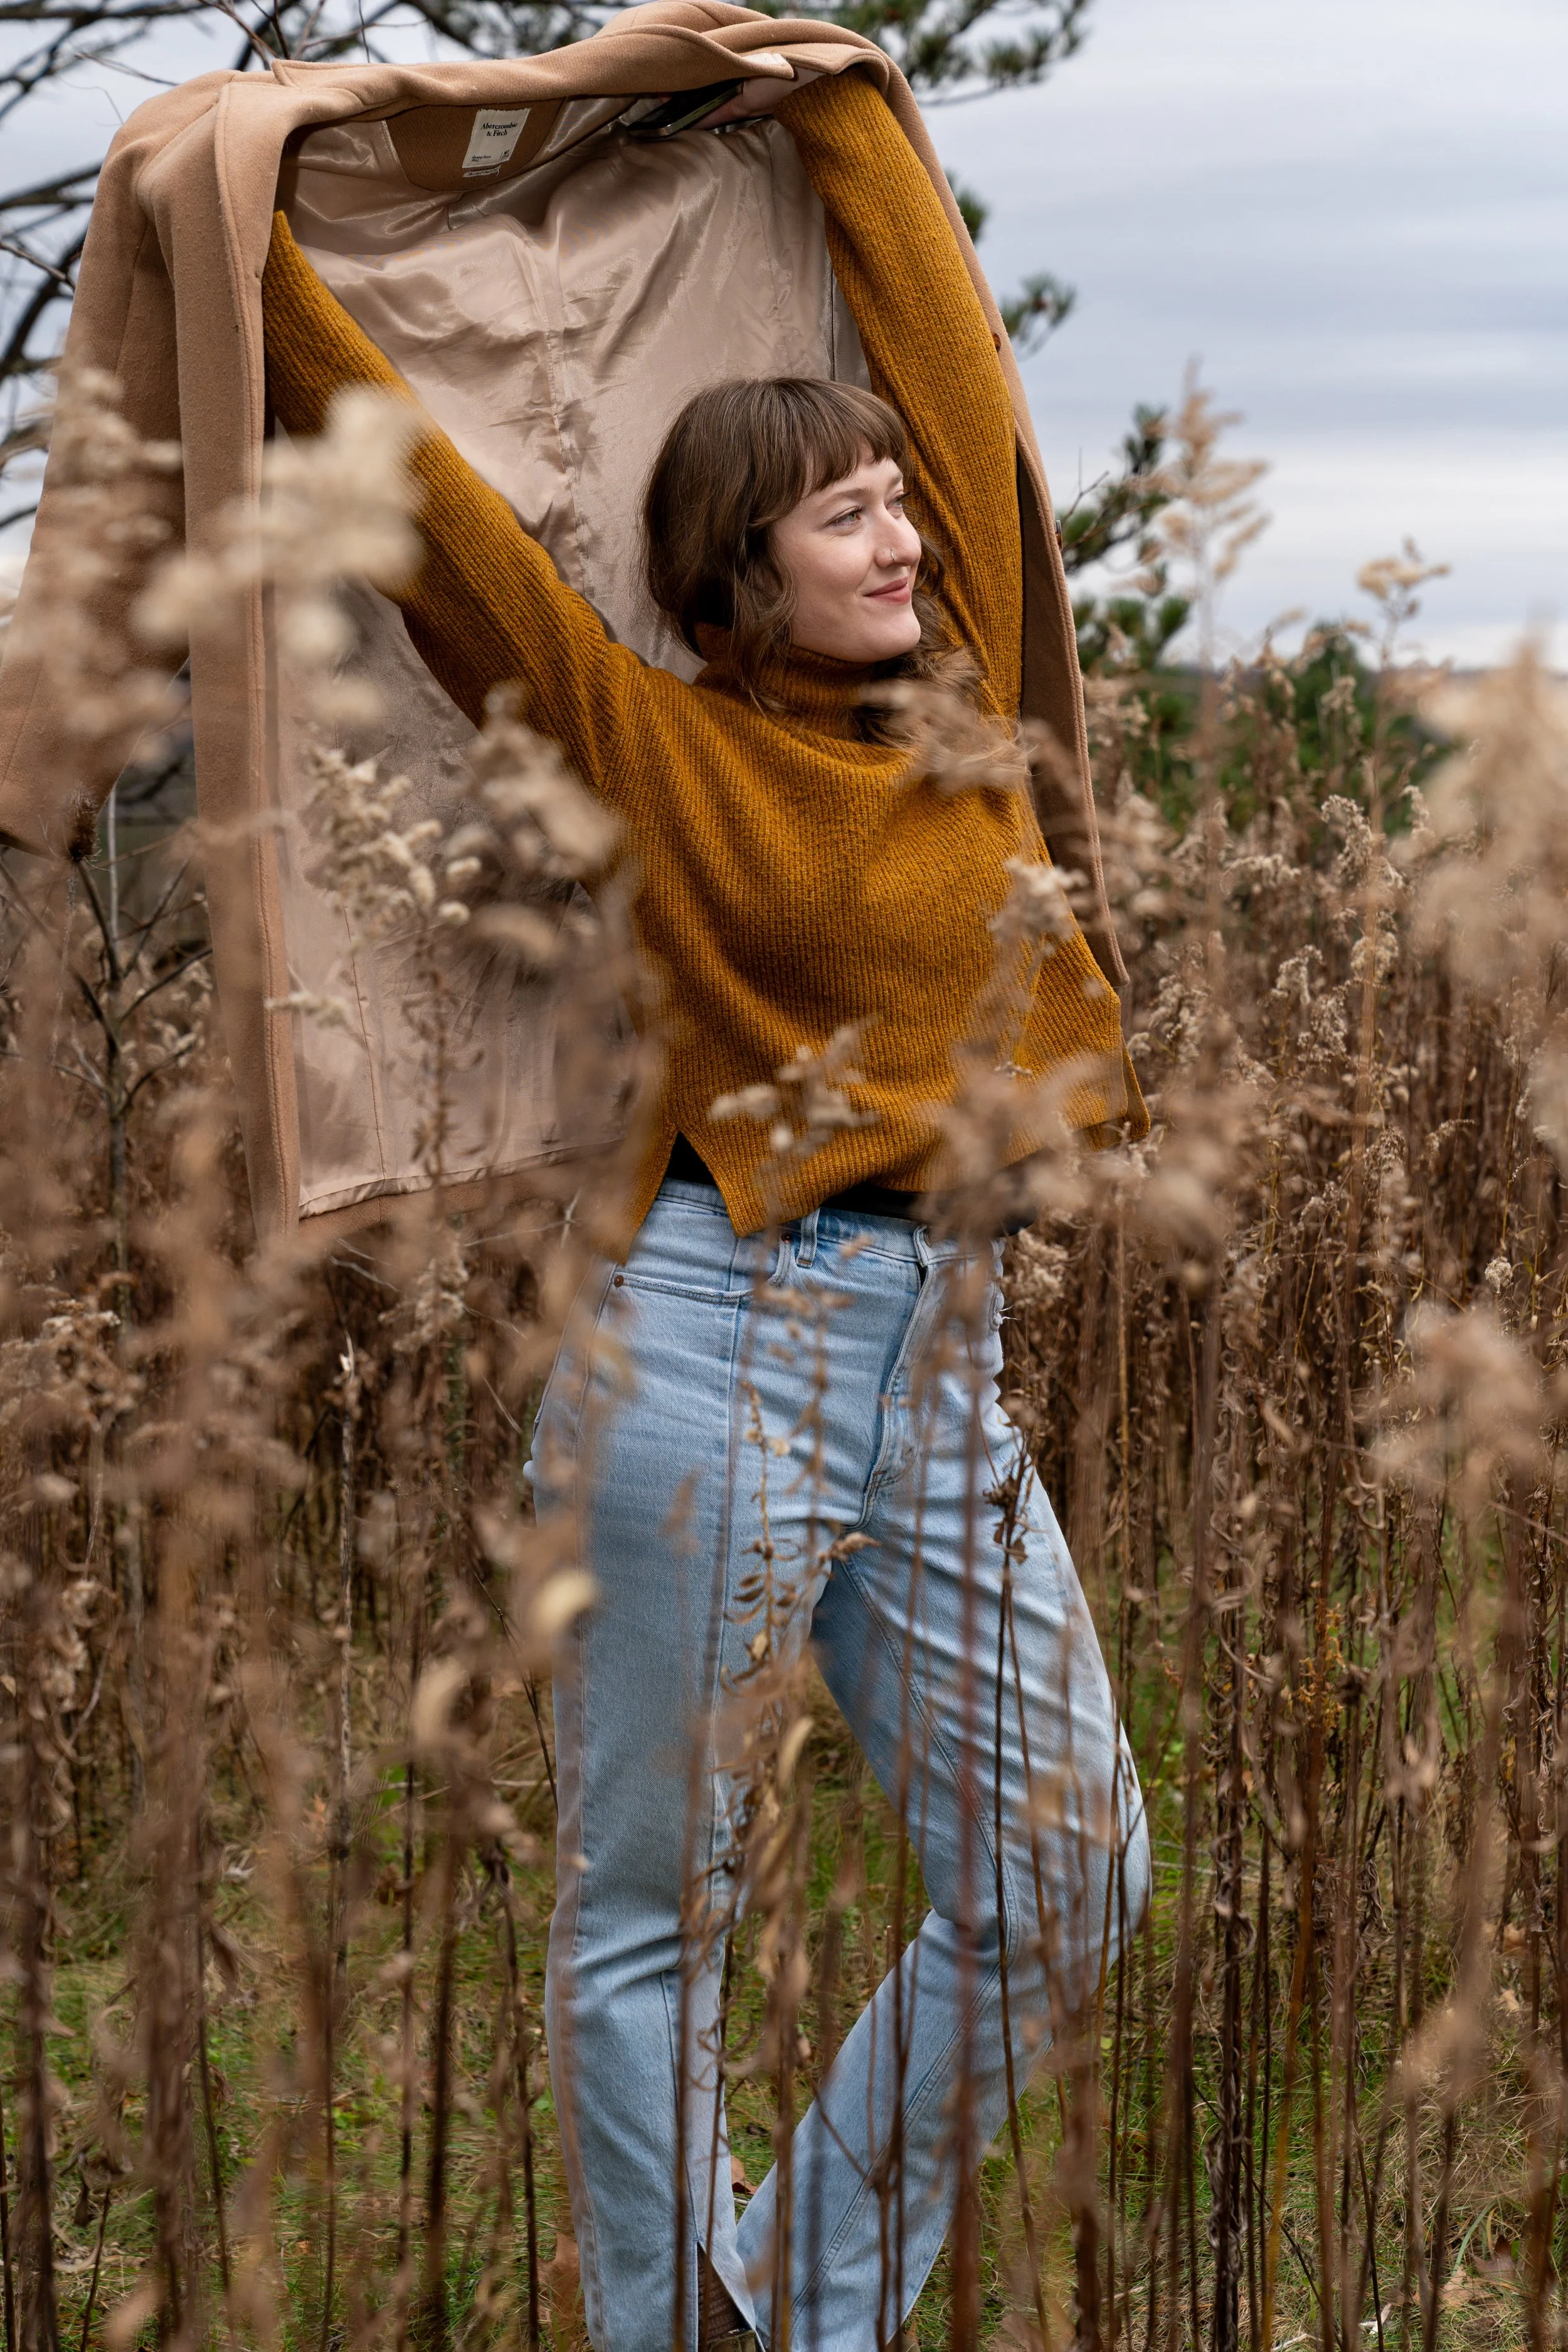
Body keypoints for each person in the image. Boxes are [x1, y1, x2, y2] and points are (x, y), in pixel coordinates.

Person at [261, 63, 1150, 2352]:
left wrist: (835, 87)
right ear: (727, 572)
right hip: (706, 1334)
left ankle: (789, 2291)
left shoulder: (965, 728)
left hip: (932, 1353)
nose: (897, 537)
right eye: (836, 517)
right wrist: (232, 237)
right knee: (654, 1914)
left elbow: (958, 389)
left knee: (1069, 1877)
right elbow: (436, 515)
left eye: (891, 506)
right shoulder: (647, 739)